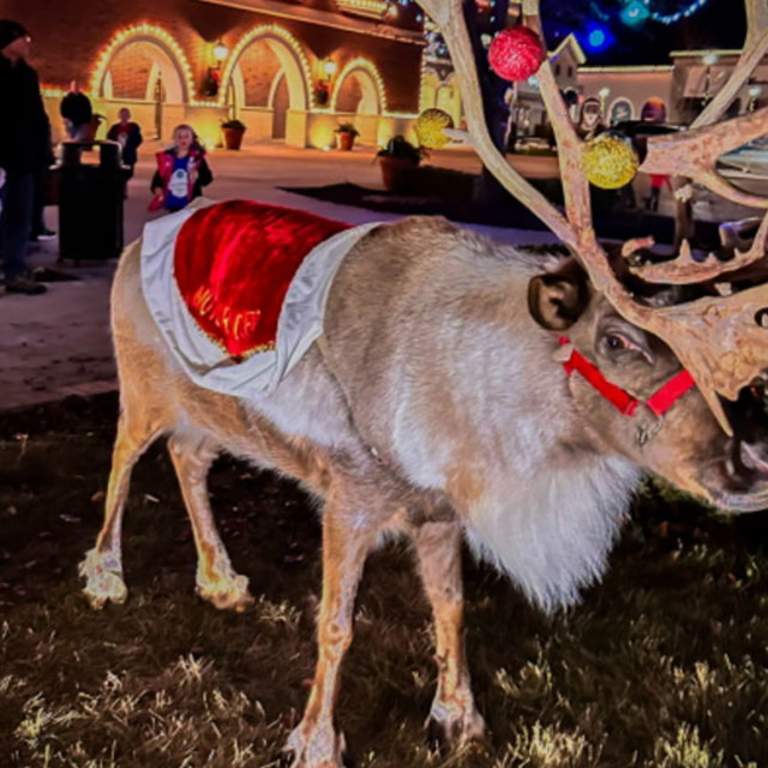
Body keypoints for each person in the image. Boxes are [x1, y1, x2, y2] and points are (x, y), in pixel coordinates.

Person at [0, 19, 48, 294]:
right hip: (2, 156)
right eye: (24, 39)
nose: (28, 44)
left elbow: (37, 116)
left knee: (20, 215)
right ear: (8, 41)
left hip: (22, 158)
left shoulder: (27, 75)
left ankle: (15, 270)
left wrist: (42, 151)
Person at [149, 124, 213, 213]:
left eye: (186, 136)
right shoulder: (167, 158)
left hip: (191, 201)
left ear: (192, 139)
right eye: (179, 137)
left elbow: (208, 179)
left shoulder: (197, 158)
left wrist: (198, 175)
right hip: (173, 200)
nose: (183, 139)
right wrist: (157, 187)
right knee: (175, 219)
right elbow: (159, 176)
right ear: (174, 139)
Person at [107, 107, 142, 178]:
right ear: (119, 116)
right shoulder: (114, 127)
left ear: (129, 116)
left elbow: (138, 139)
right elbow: (109, 138)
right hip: (117, 154)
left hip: (129, 154)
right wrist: (117, 138)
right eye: (122, 115)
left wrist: (129, 140)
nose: (124, 116)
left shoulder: (134, 127)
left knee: (129, 173)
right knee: (117, 173)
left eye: (126, 115)